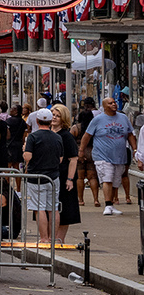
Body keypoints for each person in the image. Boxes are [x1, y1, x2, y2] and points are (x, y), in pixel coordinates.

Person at [80, 96, 133, 216]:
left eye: (114, 102)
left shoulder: (123, 118)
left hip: (120, 156)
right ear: (104, 107)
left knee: (115, 181)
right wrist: (81, 150)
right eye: (110, 103)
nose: (114, 104)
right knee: (107, 178)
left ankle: (112, 203)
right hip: (102, 155)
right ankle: (108, 204)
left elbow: (130, 135)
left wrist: (134, 149)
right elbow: (87, 136)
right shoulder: (98, 120)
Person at [22, 108, 63, 243]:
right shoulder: (57, 137)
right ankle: (53, 237)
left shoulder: (33, 137)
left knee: (39, 208)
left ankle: (44, 238)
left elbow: (28, 156)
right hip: (53, 176)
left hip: (36, 177)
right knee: (53, 208)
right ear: (51, 121)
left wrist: (24, 151)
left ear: (37, 121)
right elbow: (61, 159)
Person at [52, 104, 82, 244]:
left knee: (65, 208)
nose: (54, 118)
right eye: (53, 114)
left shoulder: (66, 136)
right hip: (49, 175)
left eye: (58, 116)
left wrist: (70, 178)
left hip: (64, 176)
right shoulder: (47, 133)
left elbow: (73, 159)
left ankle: (59, 238)